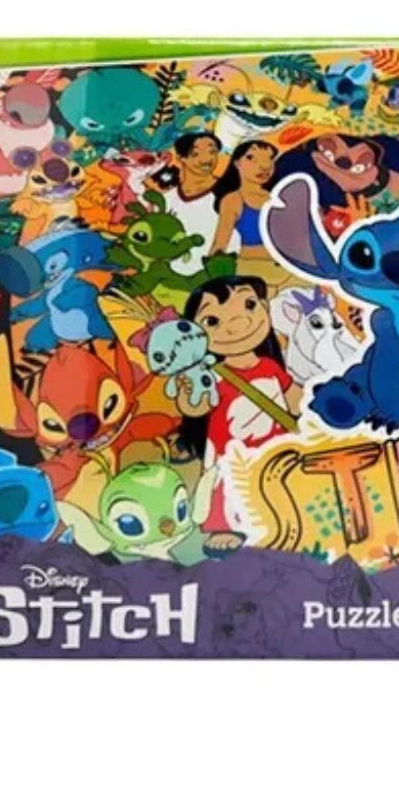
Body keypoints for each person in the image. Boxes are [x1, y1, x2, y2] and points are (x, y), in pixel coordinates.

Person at [176, 276, 301, 554]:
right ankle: (225, 525)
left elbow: (294, 399)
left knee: (278, 483)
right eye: (212, 321)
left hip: (273, 443)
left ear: (264, 306)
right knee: (227, 485)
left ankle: (280, 523)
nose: (238, 323)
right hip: (229, 447)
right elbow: (196, 408)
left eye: (249, 305)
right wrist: (187, 392)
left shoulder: (269, 366)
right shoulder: (212, 375)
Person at [155, 131, 224, 275]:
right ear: (181, 158)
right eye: (195, 154)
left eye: (212, 152)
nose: (206, 160)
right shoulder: (166, 199)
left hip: (213, 274)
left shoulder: (228, 194)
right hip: (168, 276)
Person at [210, 139, 278, 259]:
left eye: (270, 158)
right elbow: (220, 245)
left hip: (286, 267)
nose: (265, 166)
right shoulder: (233, 200)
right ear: (237, 163)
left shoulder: (277, 197)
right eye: (251, 158)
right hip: (251, 265)